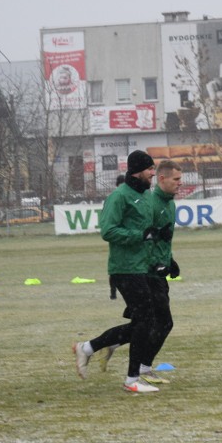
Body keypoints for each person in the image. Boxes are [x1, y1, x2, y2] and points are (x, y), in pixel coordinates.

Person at [72, 150, 160, 393]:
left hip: (141, 266)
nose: (153, 173)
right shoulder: (119, 196)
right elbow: (108, 231)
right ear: (137, 170)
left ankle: (88, 348)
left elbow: (148, 232)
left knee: (145, 322)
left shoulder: (146, 195)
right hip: (124, 268)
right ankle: (131, 380)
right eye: (150, 169)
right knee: (146, 321)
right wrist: (139, 236)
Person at [100, 160, 183, 384]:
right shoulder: (150, 201)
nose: (180, 184)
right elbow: (144, 236)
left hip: (154, 269)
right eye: (176, 179)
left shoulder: (168, 202)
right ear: (162, 178)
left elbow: (159, 238)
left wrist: (169, 260)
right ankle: (132, 370)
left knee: (150, 323)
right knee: (153, 323)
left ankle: (99, 348)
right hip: (142, 270)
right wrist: (154, 263)